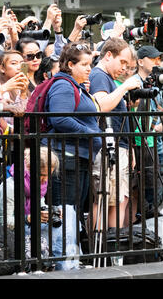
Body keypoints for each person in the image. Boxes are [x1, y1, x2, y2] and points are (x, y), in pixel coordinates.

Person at [44, 41, 102, 269]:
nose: (89, 68)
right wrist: (89, 133)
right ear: (70, 64)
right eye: (85, 64)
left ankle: (70, 261)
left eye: (90, 64)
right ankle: (63, 265)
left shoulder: (76, 86)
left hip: (79, 158)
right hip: (66, 159)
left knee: (73, 212)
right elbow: (59, 118)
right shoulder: (63, 85)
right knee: (64, 213)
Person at [89, 37, 141, 230]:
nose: (125, 69)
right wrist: (125, 87)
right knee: (106, 200)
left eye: (128, 65)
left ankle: (112, 246)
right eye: (122, 62)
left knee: (119, 200)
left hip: (120, 147)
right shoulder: (99, 76)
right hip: (108, 148)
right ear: (108, 55)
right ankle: (103, 249)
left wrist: (130, 149)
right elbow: (100, 105)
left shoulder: (109, 79)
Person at [0, 147, 61, 270]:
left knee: (68, 213)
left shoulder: (39, 186)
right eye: (43, 175)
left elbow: (40, 206)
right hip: (11, 235)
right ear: (29, 169)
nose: (45, 179)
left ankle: (58, 264)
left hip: (28, 230)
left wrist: (51, 212)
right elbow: (2, 222)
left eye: (49, 175)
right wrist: (28, 219)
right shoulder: (11, 187)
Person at [128, 45, 163, 214]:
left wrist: (160, 124)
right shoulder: (134, 82)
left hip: (156, 142)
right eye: (153, 59)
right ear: (140, 61)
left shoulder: (156, 82)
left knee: (157, 186)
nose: (156, 62)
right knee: (142, 188)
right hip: (140, 142)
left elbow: (162, 109)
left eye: (158, 58)